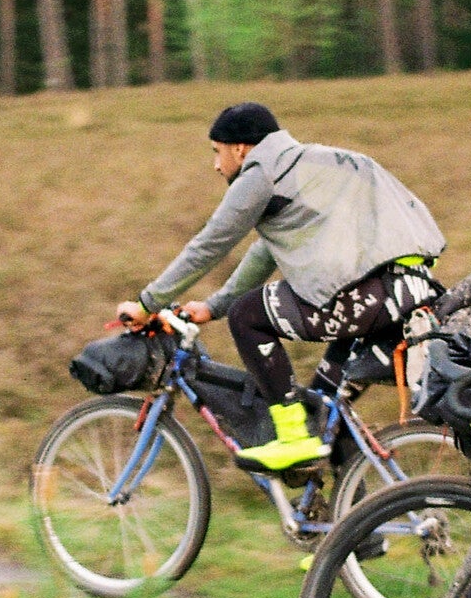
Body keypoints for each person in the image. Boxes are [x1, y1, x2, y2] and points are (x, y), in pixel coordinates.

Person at [118, 102, 447, 472]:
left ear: (240, 148)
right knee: (325, 411)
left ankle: (291, 439)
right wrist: (213, 306)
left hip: (369, 297)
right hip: (411, 290)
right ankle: (360, 527)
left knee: (247, 315)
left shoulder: (262, 173)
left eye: (217, 152)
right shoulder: (315, 161)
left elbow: (211, 243)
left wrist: (148, 302)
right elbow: (265, 252)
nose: (215, 165)